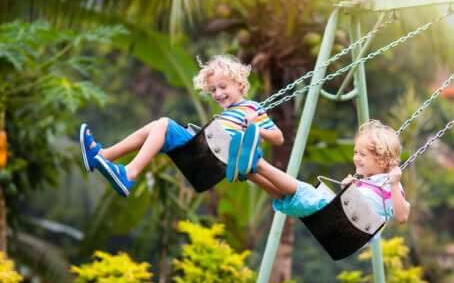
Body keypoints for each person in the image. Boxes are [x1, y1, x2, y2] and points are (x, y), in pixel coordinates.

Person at [79, 54, 284, 197]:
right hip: (206, 155)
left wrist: (256, 129)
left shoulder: (252, 108)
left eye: (223, 87)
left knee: (164, 124)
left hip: (214, 161)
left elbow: (278, 138)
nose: (218, 94)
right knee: (156, 127)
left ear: (239, 84)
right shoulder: (226, 114)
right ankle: (103, 156)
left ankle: (129, 173)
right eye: (213, 90)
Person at [241, 119, 410, 223]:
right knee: (287, 196)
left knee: (304, 190)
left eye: (362, 154)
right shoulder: (365, 182)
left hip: (352, 227)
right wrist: (348, 190)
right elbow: (356, 204)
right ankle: (249, 172)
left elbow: (402, 217)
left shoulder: (389, 183)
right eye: (355, 152)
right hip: (341, 221)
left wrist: (395, 184)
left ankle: (258, 163)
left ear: (382, 160)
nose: (356, 158)